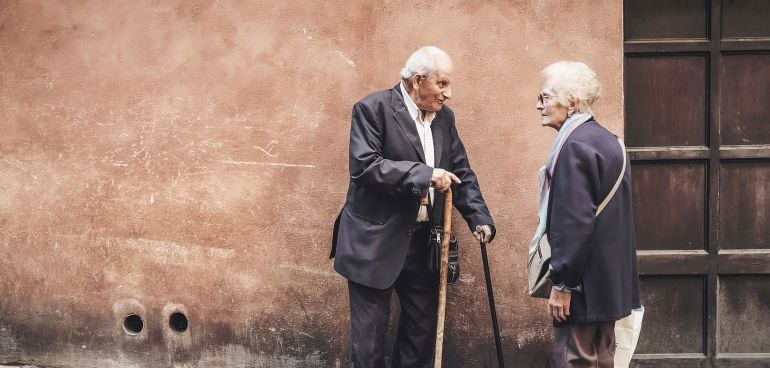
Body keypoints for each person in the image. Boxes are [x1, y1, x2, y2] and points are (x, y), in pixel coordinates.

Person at [330, 46, 495, 368]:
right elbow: (365, 167)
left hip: (424, 242)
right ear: (419, 80)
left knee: (421, 335)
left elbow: (460, 170)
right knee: (370, 345)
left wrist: (479, 217)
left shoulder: (444, 118)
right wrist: (425, 174)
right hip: (373, 242)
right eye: (442, 84)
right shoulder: (372, 108)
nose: (448, 94)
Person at [533, 61, 641, 368]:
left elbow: (574, 223)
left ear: (571, 101)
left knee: (574, 360)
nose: (538, 104)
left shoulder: (574, 146)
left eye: (545, 96)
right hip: (608, 284)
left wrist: (563, 285)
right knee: (603, 360)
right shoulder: (609, 141)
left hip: (582, 286)